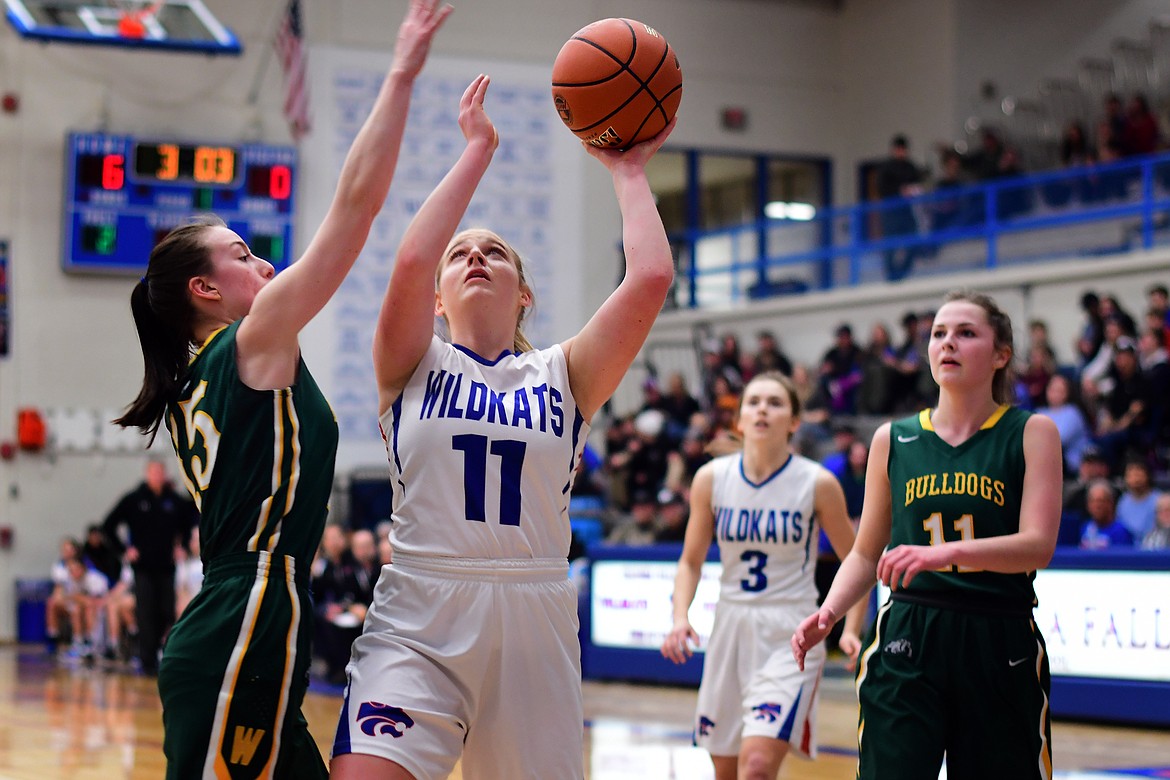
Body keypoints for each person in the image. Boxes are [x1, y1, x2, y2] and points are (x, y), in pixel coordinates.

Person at [111, 3, 451, 776]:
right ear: (205, 289)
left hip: (255, 619)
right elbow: (355, 210)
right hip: (247, 615)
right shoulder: (248, 343)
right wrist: (400, 72)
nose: (264, 263)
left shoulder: (224, 364)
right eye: (241, 254)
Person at [329, 69, 676, 779]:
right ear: (438, 297)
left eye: (495, 253)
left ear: (524, 294)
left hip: (535, 615)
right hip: (421, 608)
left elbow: (648, 279)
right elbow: (409, 259)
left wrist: (628, 167)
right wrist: (477, 151)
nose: (476, 256)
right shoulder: (410, 363)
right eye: (461, 253)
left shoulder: (566, 373)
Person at [792, 290, 1063, 780]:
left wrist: (942, 554)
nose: (948, 344)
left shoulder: (1031, 431)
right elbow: (864, 553)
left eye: (966, 333)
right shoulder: (892, 439)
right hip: (908, 633)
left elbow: (1038, 544)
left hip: (998, 633)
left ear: (1001, 354)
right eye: (939, 334)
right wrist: (829, 613)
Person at [661, 371, 867, 780]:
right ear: (738, 420)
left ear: (794, 421)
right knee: (726, 771)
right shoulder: (711, 478)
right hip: (730, 628)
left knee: (755, 767)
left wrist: (852, 628)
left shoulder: (817, 482)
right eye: (753, 402)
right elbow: (690, 561)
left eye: (775, 403)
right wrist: (680, 617)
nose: (762, 410)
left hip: (790, 632)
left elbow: (857, 560)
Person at [101, 459, 193, 675]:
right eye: (154, 472)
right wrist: (125, 549)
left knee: (167, 611)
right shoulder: (134, 499)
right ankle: (146, 660)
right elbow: (108, 525)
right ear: (147, 474)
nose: (157, 476)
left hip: (167, 567)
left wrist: (184, 546)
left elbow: (189, 524)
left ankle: (164, 653)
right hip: (142, 567)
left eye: (161, 472)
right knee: (145, 613)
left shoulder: (174, 501)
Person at [875, 134, 924, 281]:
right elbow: (882, 188)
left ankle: (903, 272)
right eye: (899, 149)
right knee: (890, 244)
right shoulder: (886, 168)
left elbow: (918, 183)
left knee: (913, 239)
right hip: (891, 211)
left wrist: (913, 190)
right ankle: (891, 275)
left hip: (906, 211)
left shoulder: (910, 167)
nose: (901, 152)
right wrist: (899, 190)